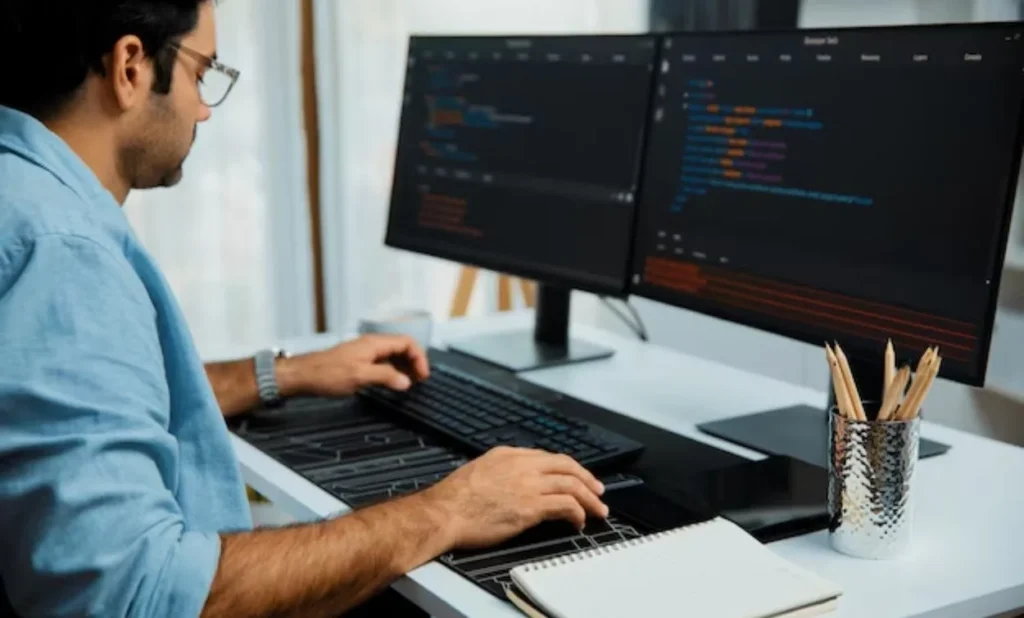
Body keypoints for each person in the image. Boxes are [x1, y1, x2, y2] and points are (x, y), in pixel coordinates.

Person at [0, 2, 609, 617]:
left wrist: (283, 375)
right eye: (200, 72)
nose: (204, 108)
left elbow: (98, 400)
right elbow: (140, 594)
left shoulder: (22, 196)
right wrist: (450, 509)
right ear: (130, 65)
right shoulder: (63, 255)